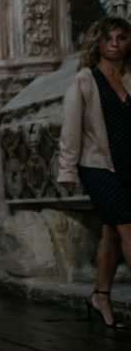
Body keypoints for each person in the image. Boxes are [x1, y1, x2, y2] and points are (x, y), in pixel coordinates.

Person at [58, 16, 131, 330]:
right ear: (97, 43)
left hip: (128, 165)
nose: (114, 44)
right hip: (98, 166)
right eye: (108, 38)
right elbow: (70, 129)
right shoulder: (85, 79)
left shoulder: (130, 77)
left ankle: (101, 295)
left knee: (112, 234)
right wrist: (67, 171)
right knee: (128, 229)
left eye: (121, 38)